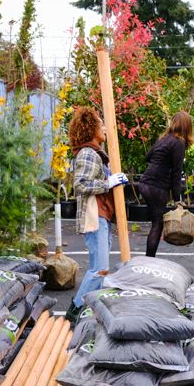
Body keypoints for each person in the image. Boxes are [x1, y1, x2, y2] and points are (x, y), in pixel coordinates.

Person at [65, 107, 128, 322]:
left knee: (99, 268)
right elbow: (80, 184)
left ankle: (86, 308)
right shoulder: (89, 153)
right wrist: (108, 182)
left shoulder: (96, 153)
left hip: (102, 216)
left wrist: (114, 181)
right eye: (101, 124)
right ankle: (77, 308)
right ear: (92, 128)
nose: (105, 128)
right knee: (100, 269)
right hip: (95, 217)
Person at [138, 111, 194, 257]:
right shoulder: (179, 143)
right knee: (157, 224)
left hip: (145, 183)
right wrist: (178, 200)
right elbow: (177, 174)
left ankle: (149, 258)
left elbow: (147, 157)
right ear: (187, 127)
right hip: (157, 187)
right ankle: (149, 260)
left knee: (155, 222)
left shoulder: (164, 139)